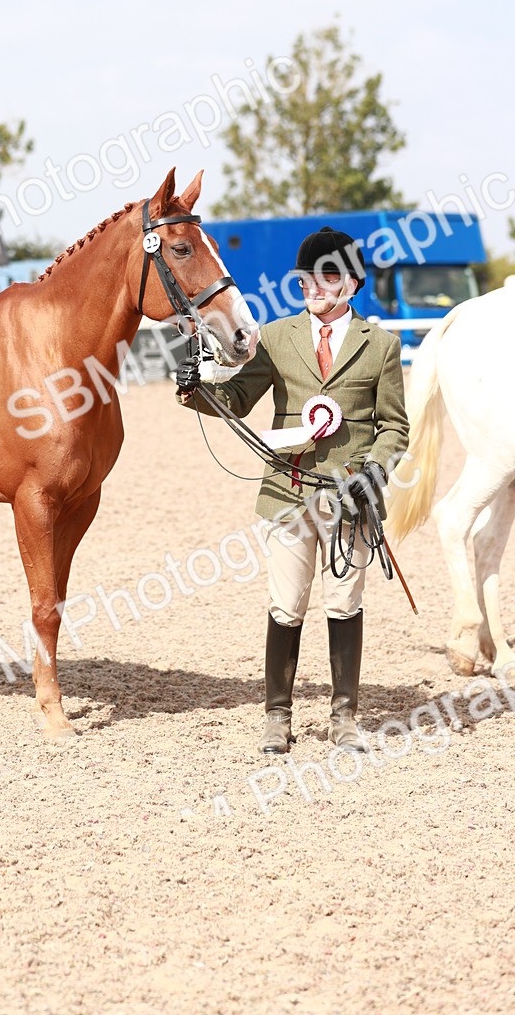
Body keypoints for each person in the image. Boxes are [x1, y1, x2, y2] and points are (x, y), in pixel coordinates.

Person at [176, 227, 409, 754]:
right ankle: (277, 717)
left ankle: (344, 717)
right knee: (286, 605)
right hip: (289, 491)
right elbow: (237, 396)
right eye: (304, 277)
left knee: (345, 603)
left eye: (324, 276)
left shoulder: (382, 347)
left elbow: (395, 427)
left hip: (351, 497)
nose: (311, 286)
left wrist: (372, 472)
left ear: (351, 283)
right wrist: (197, 389)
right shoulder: (277, 339)